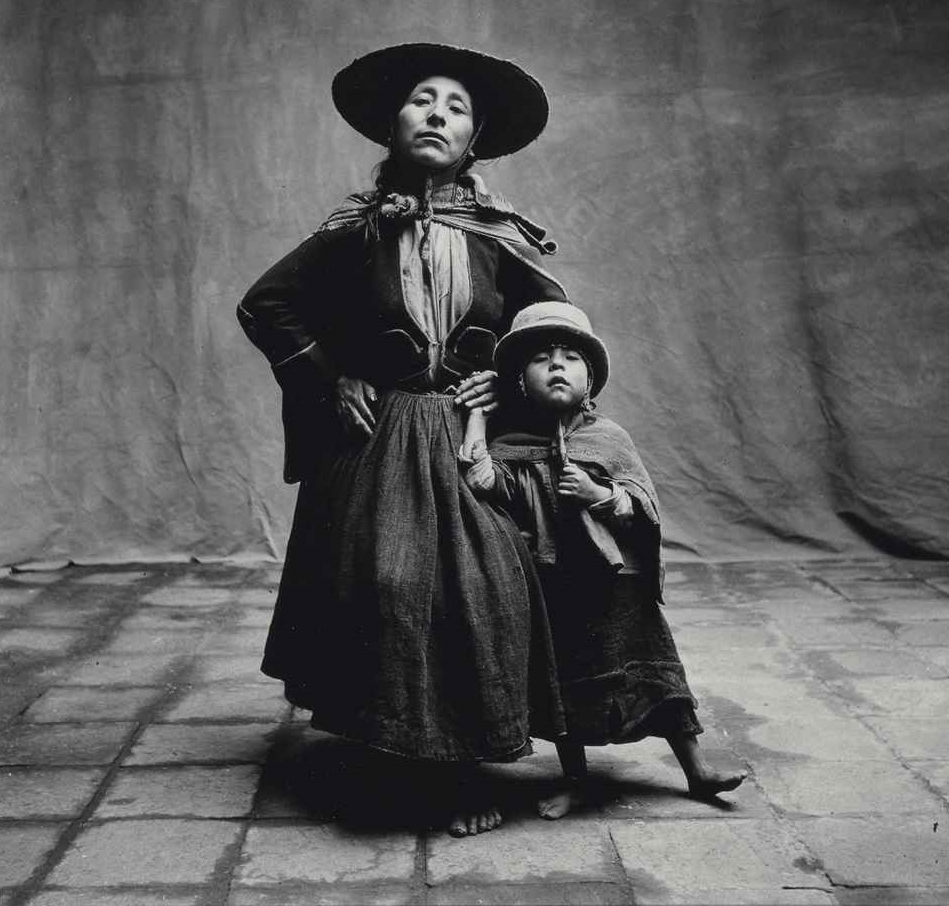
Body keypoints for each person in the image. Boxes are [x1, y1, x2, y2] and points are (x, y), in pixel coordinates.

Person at [237, 44, 569, 836]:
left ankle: (458, 762)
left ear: (474, 139)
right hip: (379, 438)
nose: (437, 116)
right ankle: (391, 759)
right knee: (389, 584)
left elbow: (553, 328)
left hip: (462, 436)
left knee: (483, 585)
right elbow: (266, 305)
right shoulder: (356, 229)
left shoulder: (495, 236)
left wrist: (509, 380)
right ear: (393, 124)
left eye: (455, 109)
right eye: (423, 101)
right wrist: (333, 375)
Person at [459, 301, 747, 819]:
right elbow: (483, 481)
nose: (556, 366)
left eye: (570, 357)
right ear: (520, 380)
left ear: (588, 378)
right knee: (566, 685)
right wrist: (478, 421)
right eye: (542, 358)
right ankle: (573, 780)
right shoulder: (510, 443)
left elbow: (643, 505)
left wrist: (598, 493)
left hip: (619, 587)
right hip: (555, 585)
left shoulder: (609, 438)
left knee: (659, 678)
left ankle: (697, 769)